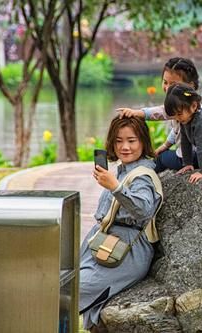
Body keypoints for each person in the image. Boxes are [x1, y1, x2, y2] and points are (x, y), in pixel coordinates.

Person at [79, 116, 162, 332]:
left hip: (126, 251)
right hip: (105, 243)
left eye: (131, 140)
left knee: (70, 290)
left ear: (143, 142)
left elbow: (144, 209)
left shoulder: (143, 175)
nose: (124, 147)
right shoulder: (123, 171)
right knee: (63, 283)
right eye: (118, 141)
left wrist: (115, 187)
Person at [116, 57, 202, 173]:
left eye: (173, 84)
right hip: (195, 155)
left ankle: (142, 177)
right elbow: (178, 129)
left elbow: (161, 112)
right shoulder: (191, 104)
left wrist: (138, 113)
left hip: (193, 157)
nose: (167, 88)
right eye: (165, 82)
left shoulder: (188, 106)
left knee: (160, 159)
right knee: (160, 153)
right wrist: (166, 145)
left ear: (190, 86)